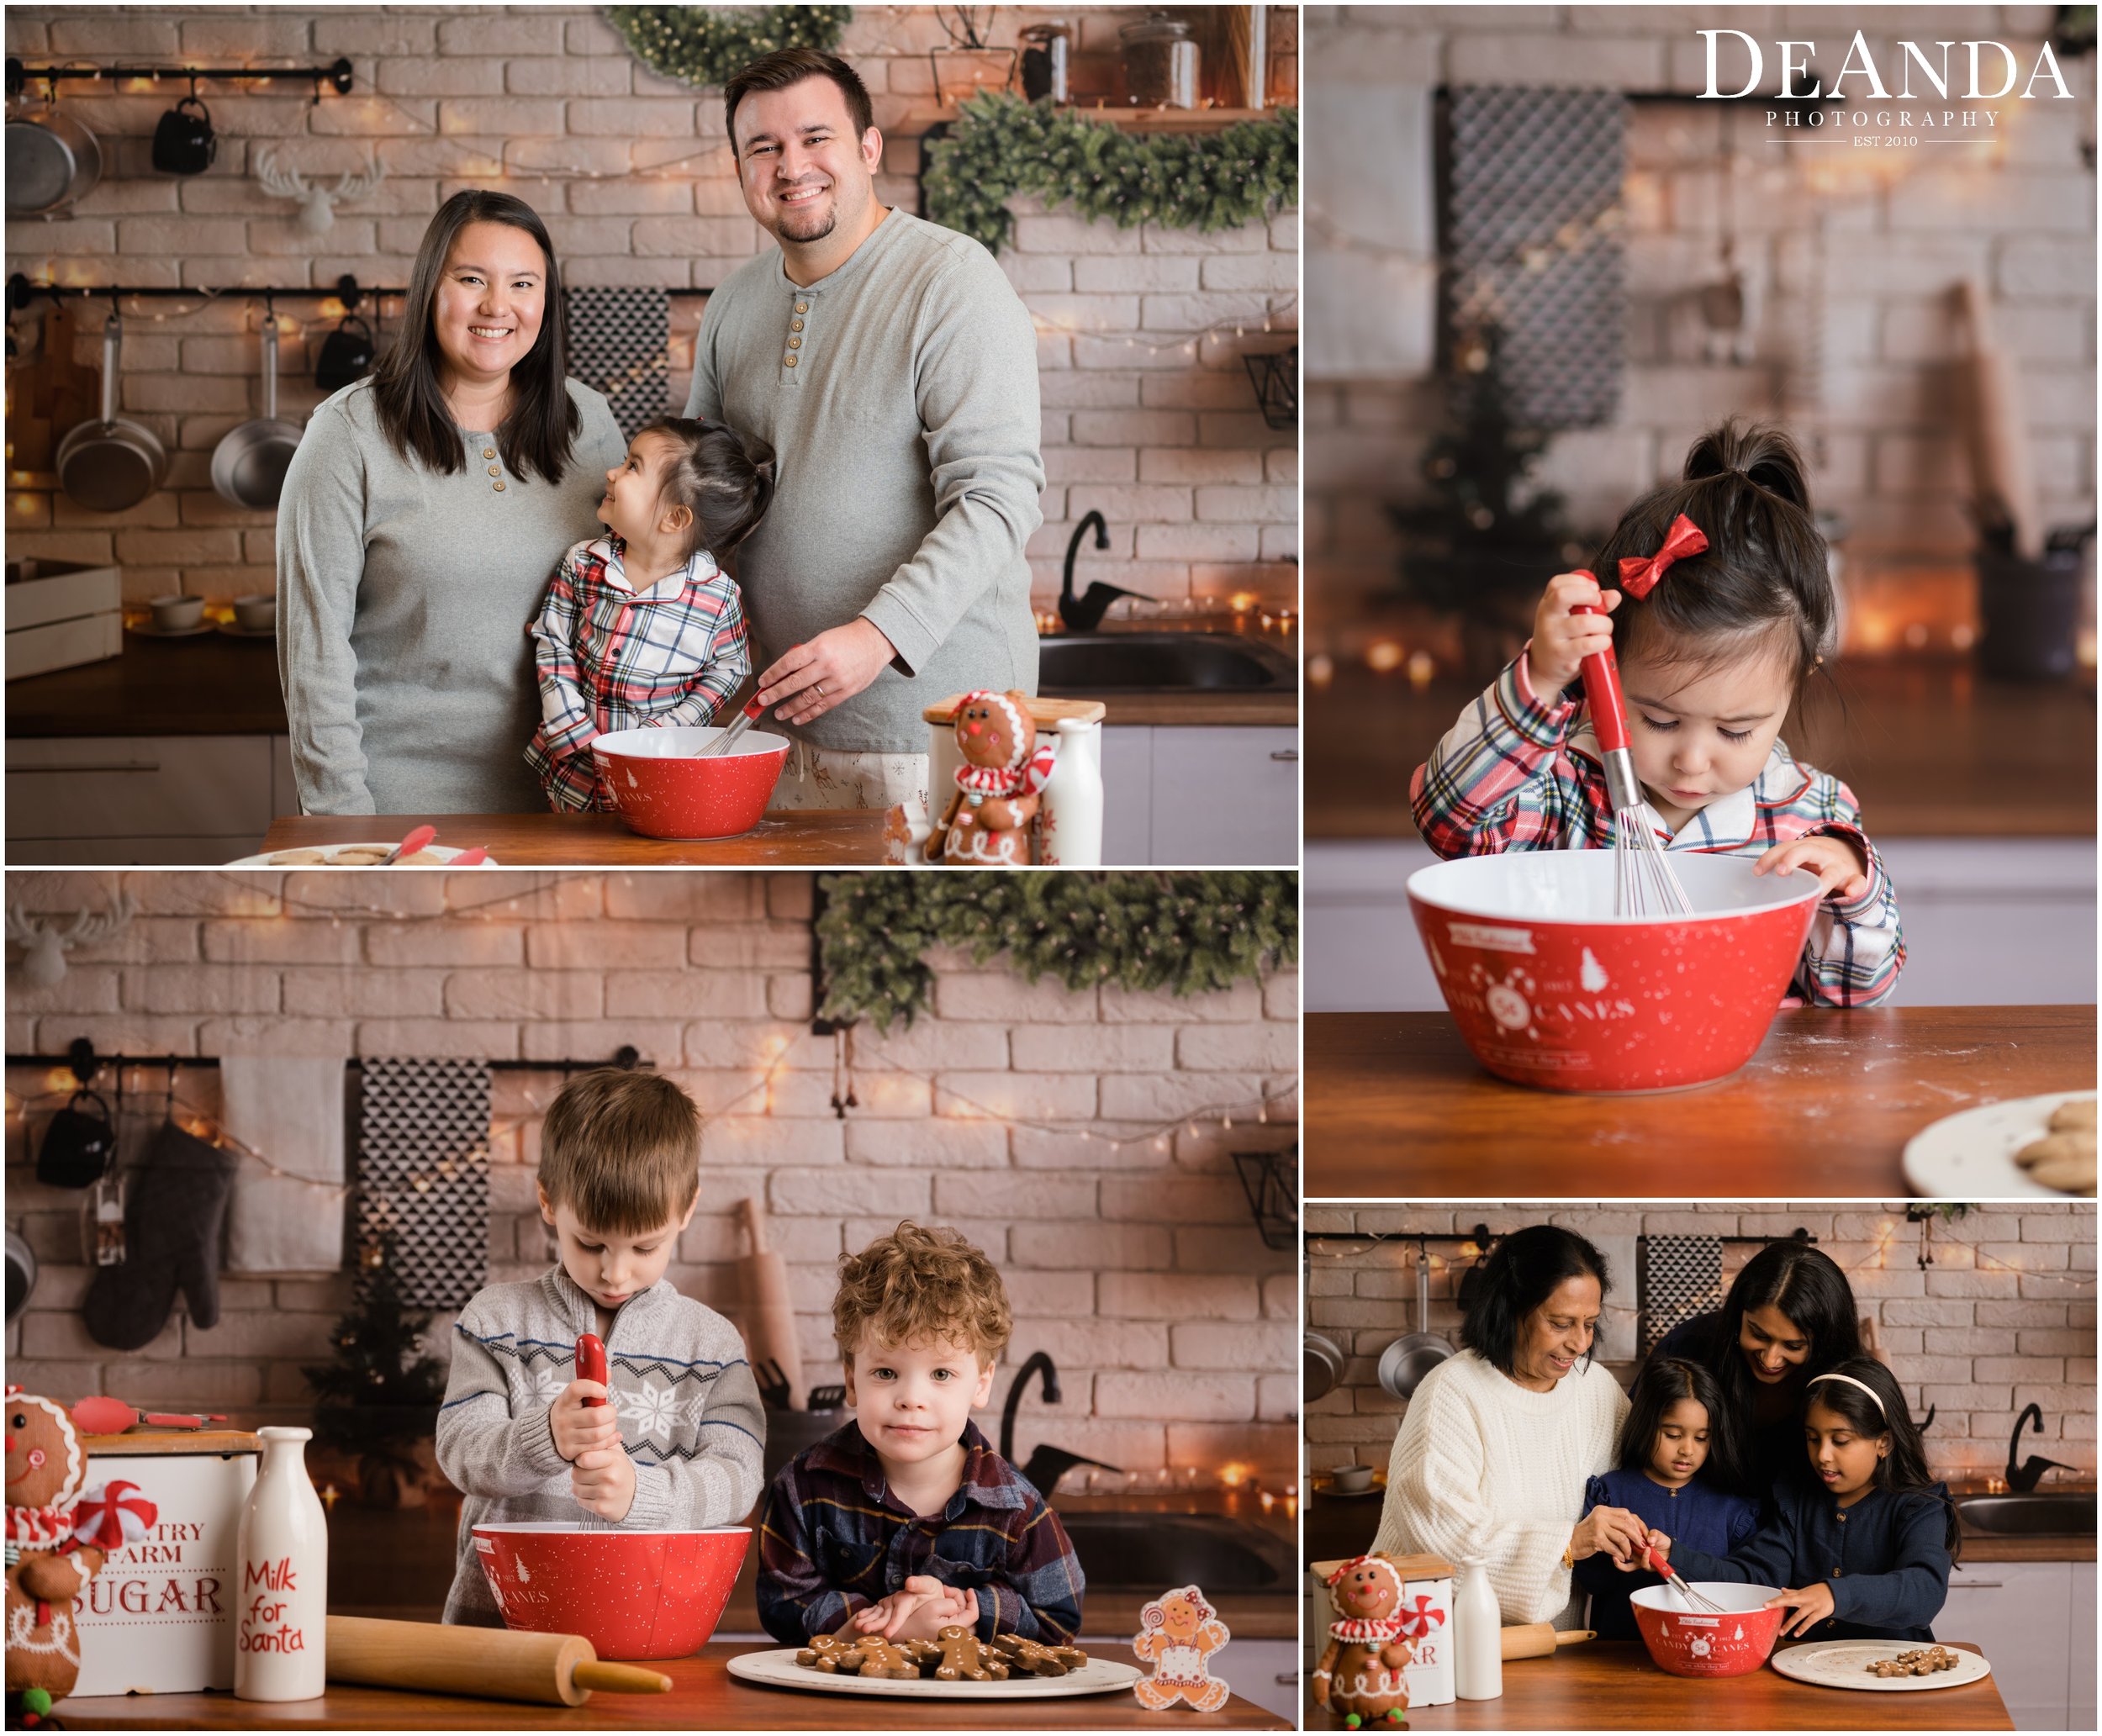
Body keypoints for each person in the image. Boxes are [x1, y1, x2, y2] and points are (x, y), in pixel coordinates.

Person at [1410, 419, 1904, 1007]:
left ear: (1798, 684)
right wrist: (1540, 678)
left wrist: (1850, 884)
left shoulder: (1809, 816)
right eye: (1660, 721)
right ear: (1607, 670)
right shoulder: (1565, 790)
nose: (1692, 761)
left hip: (1747, 1093)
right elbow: (1450, 819)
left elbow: (1854, 991)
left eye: (1736, 730)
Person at [685, 48, 1044, 811]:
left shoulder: (952, 282)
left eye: (816, 138)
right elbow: (702, 500)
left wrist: (878, 636)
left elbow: (998, 499)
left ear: (868, 149)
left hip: (940, 733)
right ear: (741, 168)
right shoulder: (731, 305)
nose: (792, 166)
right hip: (765, 733)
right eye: (764, 147)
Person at [278, 190, 628, 815]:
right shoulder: (348, 435)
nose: (498, 306)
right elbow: (314, 653)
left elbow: (637, 587)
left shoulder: (589, 421)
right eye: (472, 279)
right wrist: (342, 823)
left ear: (546, 302)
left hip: (578, 803)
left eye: (523, 284)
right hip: (404, 807)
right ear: (429, 289)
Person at [435, 1069, 763, 1626]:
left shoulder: (712, 1346)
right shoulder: (495, 1320)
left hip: (649, 1625)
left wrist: (643, 1493)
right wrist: (545, 1438)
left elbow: (738, 1479)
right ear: (547, 1201)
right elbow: (461, 1450)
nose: (615, 1271)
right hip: (498, 1630)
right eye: (590, 1242)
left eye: (645, 1245)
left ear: (686, 1209)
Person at [754, 1222, 1083, 1644]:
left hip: (966, 1706)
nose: (911, 1398)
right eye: (886, 1372)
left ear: (981, 1384)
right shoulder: (802, 1488)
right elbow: (782, 1604)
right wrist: (879, 1624)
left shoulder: (1016, 1509)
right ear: (852, 1381)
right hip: (840, 1707)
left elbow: (1059, 1618)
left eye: (941, 1373)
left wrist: (966, 1609)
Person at [1371, 1226, 1644, 1628]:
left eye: (1589, 1323)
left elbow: (1639, 1480)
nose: (1581, 1343)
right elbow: (1442, 1542)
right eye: (1561, 1323)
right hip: (1430, 1636)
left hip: (1546, 1645)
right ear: (1510, 1310)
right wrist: (1569, 1542)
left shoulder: (1597, 1389)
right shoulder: (1452, 1391)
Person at [526, 416, 775, 810]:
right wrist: (569, 721)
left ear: (674, 518)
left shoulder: (717, 596)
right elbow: (553, 640)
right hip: (574, 772)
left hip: (655, 776)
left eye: (632, 466)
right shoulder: (583, 563)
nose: (611, 472)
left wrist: (663, 733)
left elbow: (730, 668)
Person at [1654, 1359, 1957, 1643]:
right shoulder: (1797, 1503)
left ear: (1884, 1443)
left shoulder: (1920, 1506)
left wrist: (1836, 1595)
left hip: (1897, 1681)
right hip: (1807, 1673)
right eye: (1813, 1438)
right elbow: (1752, 1579)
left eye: (1840, 1441)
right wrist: (1674, 1556)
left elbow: (1924, 1590)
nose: (1823, 1455)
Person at [1645, 1239, 1865, 1505]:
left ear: (1825, 1345)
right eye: (1758, 1334)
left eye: (1793, 1345)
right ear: (1738, 1317)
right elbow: (1637, 1444)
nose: (1770, 1359)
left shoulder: (1845, 1380)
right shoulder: (1687, 1347)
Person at [1574, 1357, 1757, 1640]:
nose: (1687, 1450)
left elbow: (1743, 1586)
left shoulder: (1731, 1510)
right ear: (1647, 1424)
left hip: (1706, 1654)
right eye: (1673, 1434)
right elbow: (1591, 1582)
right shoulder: (1610, 1494)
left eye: (1701, 1438)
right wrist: (1614, 1551)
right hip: (1617, 1659)